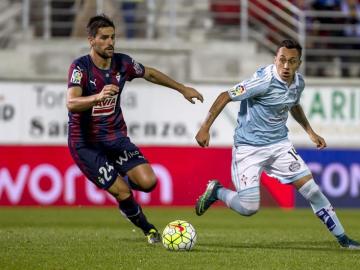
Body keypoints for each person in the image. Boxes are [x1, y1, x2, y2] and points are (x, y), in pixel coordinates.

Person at [194, 39, 359, 249]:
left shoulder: (298, 83)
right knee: (249, 207)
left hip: (279, 146)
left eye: (292, 62)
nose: (286, 67)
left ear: (299, 63)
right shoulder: (262, 81)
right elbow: (225, 96)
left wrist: (310, 132)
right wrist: (205, 127)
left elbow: (293, 104)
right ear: (275, 60)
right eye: (282, 60)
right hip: (248, 149)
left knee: (313, 191)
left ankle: (344, 240)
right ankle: (217, 191)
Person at [66, 14, 203, 244]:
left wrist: (182, 88)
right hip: (86, 143)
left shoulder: (123, 63)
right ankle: (148, 229)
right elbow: (71, 102)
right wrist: (97, 97)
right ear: (91, 40)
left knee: (149, 182)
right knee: (123, 193)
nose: (110, 42)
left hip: (115, 137)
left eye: (113, 37)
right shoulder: (80, 68)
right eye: (104, 38)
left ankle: (124, 194)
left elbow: (148, 72)